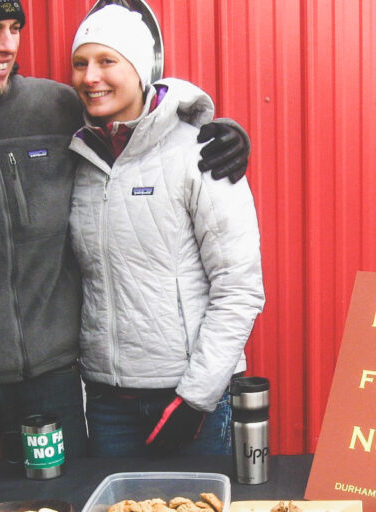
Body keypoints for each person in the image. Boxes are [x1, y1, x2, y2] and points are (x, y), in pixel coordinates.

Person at [0, 0, 251, 463]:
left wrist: (220, 128)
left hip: (52, 384)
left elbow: (147, 113)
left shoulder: (55, 108)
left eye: (13, 27)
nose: (7, 45)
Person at [67, 5, 265, 457]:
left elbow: (239, 287)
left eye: (107, 61)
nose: (91, 76)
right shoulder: (78, 157)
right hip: (107, 402)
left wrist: (196, 399)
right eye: (81, 63)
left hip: (189, 398)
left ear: (139, 69)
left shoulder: (202, 151)